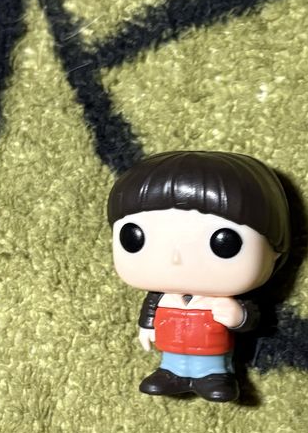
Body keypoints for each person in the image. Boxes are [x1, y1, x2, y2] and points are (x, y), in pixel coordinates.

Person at [107, 150, 290, 402]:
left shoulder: (223, 299)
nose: (176, 259)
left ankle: (213, 376)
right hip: (172, 342)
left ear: (275, 252)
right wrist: (147, 327)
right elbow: (150, 309)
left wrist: (237, 316)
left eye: (224, 243)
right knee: (173, 358)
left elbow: (253, 318)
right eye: (134, 238)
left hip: (211, 348)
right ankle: (171, 372)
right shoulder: (160, 296)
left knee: (210, 363)